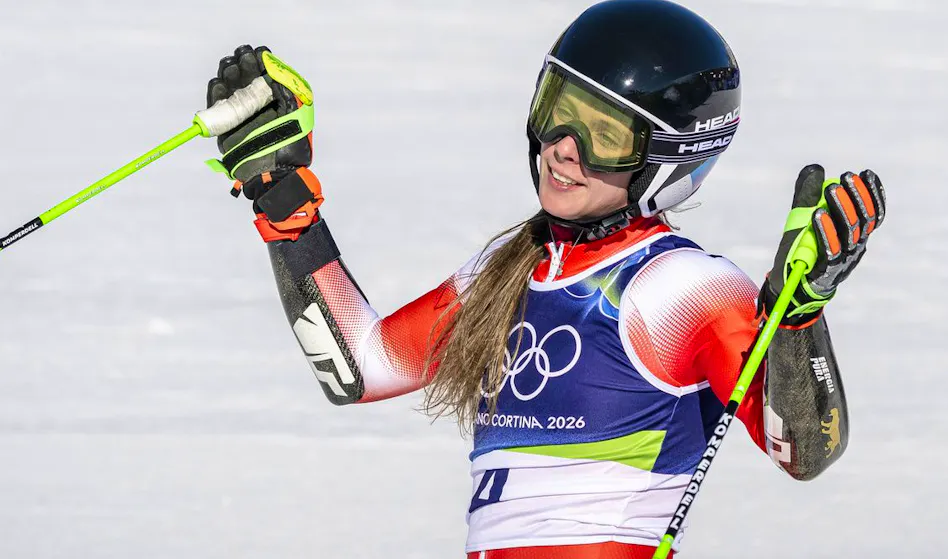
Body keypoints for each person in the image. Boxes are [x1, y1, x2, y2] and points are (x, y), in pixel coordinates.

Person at [203, 0, 886, 557]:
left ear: (669, 161)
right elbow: (360, 364)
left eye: (605, 134)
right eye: (557, 107)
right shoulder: (510, 267)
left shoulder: (682, 287)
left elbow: (802, 449)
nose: (564, 147)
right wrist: (282, 197)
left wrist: (797, 319)